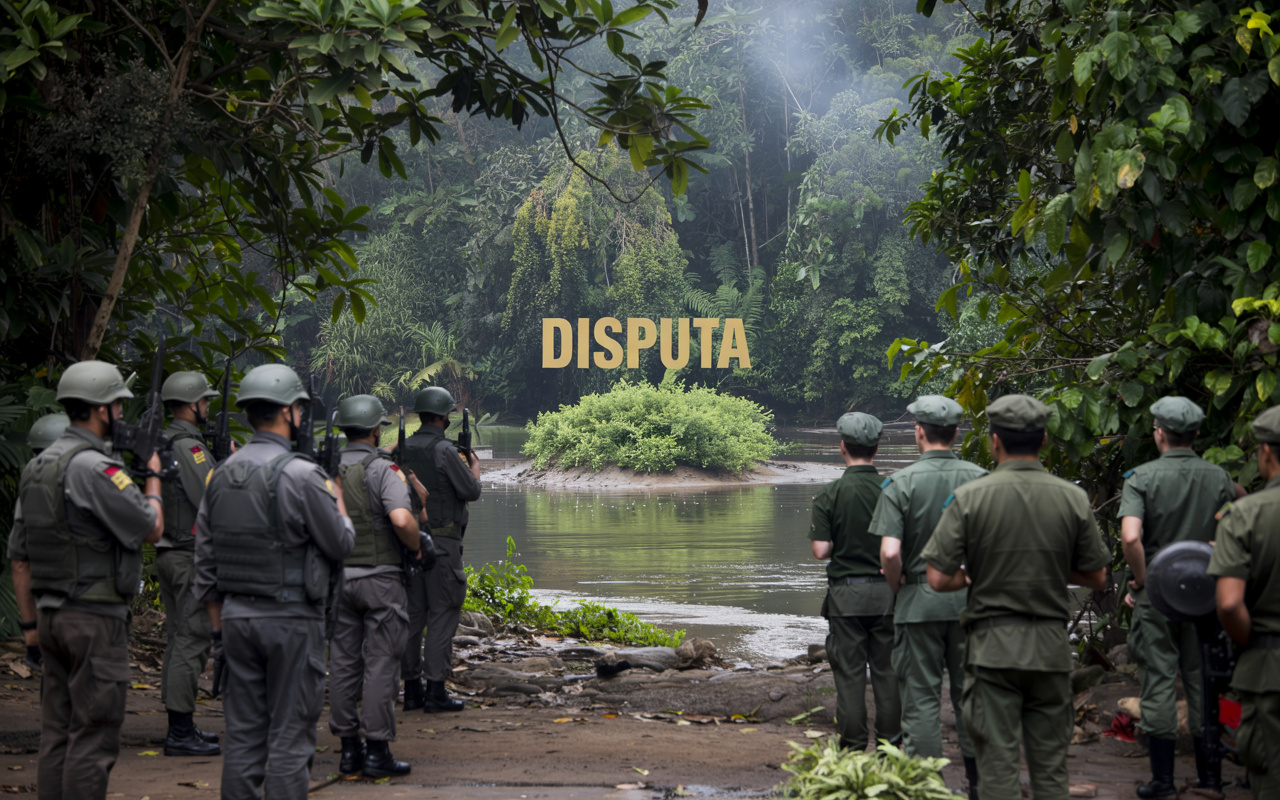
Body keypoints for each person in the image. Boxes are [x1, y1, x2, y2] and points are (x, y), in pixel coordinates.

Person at [923, 394, 1110, 800]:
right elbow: (1097, 576)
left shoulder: (971, 497)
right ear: (1044, 441)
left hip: (992, 653)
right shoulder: (1072, 498)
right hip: (1049, 649)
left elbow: (937, 577)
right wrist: (1053, 567)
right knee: (1051, 769)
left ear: (993, 441)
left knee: (997, 770)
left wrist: (974, 575)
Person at [193, 363, 354, 800]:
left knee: (243, 740)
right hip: (290, 619)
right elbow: (341, 542)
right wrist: (335, 491)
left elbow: (204, 563)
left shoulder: (220, 473)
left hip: (235, 620)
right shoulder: (303, 475)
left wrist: (218, 628)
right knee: (289, 739)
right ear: (288, 413)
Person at [10, 363, 164, 800]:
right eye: (117, 404)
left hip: (50, 617)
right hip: (93, 618)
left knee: (56, 732)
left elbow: (19, 560)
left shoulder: (38, 468)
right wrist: (152, 475)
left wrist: (31, 632)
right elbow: (150, 527)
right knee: (92, 737)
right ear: (101, 410)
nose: (121, 412)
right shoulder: (96, 469)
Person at [1118, 395, 1236, 796]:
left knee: (1158, 681)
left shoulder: (1141, 478)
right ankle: (1209, 779)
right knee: (1204, 680)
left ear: (1159, 433)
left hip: (1159, 594)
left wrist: (1142, 578)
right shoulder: (1219, 478)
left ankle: (1164, 781)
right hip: (1206, 592)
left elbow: (1131, 536)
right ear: (1197, 433)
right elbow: (1236, 527)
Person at [870, 395, 986, 795]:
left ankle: (927, 787)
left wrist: (897, 585)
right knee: (971, 695)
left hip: (918, 603)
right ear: (955, 433)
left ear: (918, 432)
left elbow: (889, 552)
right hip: (973, 604)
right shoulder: (982, 479)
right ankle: (976, 784)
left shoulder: (900, 483)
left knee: (920, 700)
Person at [328, 394, 428, 778]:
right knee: (381, 663)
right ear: (374, 430)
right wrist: (418, 547)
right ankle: (377, 750)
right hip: (380, 578)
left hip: (339, 579)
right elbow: (402, 519)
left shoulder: (326, 468)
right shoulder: (384, 469)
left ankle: (348, 751)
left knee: (343, 664)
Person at [809, 411, 900, 751]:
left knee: (849, 677)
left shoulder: (831, 493)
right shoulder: (894, 489)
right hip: (888, 596)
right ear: (876, 450)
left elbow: (821, 551)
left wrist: (840, 539)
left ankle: (852, 749)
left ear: (842, 447)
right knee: (888, 676)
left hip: (846, 599)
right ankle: (891, 750)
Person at [1208, 405, 1280, 800]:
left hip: (1268, 671)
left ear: (1265, 451)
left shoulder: (1246, 516)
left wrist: (1252, 644)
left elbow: (1230, 605)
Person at [398, 386, 481, 713]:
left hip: (408, 542)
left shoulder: (401, 450)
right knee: (443, 613)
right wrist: (473, 464)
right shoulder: (446, 451)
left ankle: (412, 689)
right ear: (446, 417)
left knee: (412, 616)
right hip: (443, 543)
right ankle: (435, 690)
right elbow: (471, 491)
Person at [157, 371, 223, 757]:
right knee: (193, 637)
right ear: (190, 404)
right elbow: (209, 499)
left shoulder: (166, 441)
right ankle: (179, 731)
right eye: (205, 401)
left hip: (170, 552)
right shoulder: (190, 448)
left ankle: (179, 724)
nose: (208, 407)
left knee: (178, 637)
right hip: (189, 554)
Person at [9, 413, 70, 674]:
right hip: (89, 607)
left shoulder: (29, 487)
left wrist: (30, 629)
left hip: (46, 606)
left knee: (56, 688)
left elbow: (20, 564)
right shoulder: (92, 477)